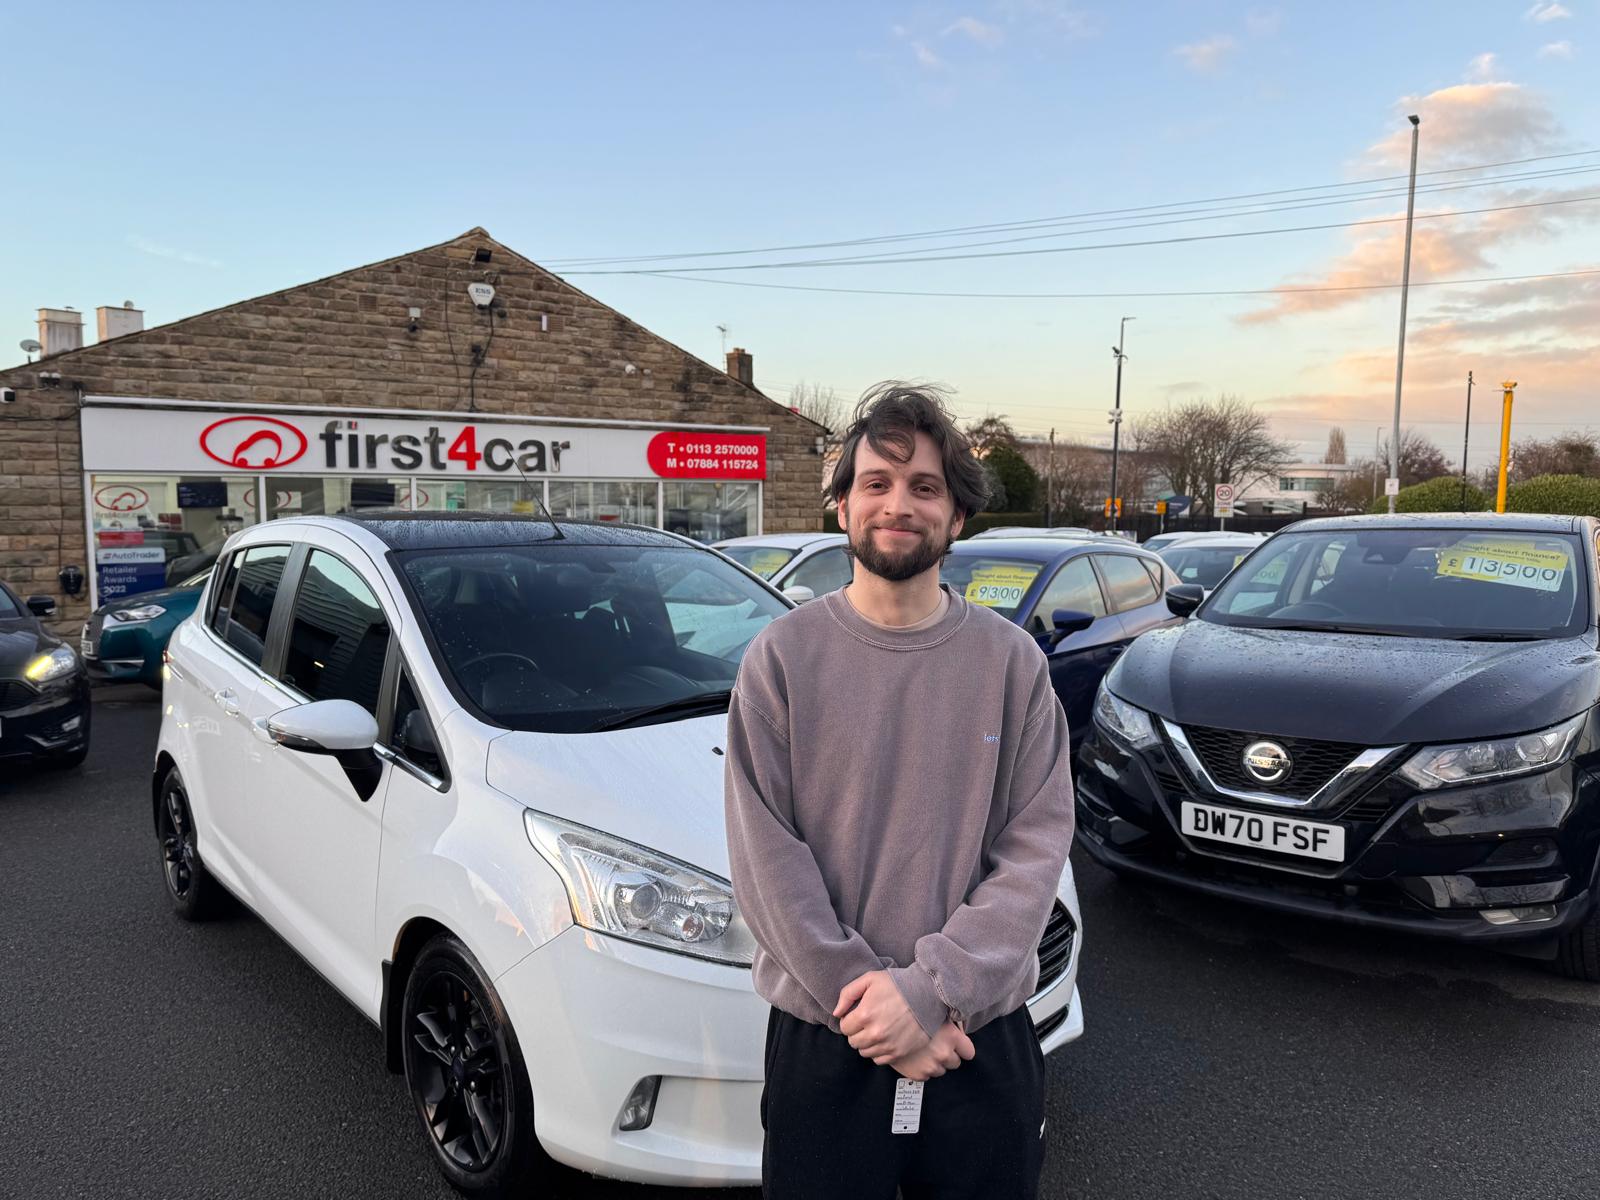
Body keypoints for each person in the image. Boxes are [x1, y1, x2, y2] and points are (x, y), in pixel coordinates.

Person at [724, 382, 1076, 1199]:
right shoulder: (780, 661)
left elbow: (1035, 847)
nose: (898, 504)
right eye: (876, 484)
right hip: (827, 1035)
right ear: (840, 505)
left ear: (957, 517)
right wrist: (875, 1008)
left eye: (925, 487)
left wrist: (931, 993)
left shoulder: (1011, 664)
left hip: (978, 1037)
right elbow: (765, 856)